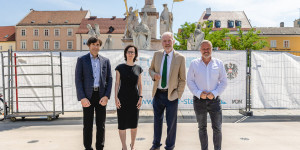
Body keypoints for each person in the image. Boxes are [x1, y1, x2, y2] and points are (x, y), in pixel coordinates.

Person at [187, 40, 227, 150]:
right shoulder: (194, 64)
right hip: (199, 101)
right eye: (204, 49)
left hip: (214, 101)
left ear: (211, 49)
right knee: (202, 128)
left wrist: (214, 93)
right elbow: (190, 81)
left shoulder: (218, 63)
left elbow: (224, 81)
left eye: (208, 48)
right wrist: (199, 94)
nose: (206, 51)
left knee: (217, 128)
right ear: (200, 50)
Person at [148, 32, 186, 150]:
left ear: (173, 41)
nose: (167, 43)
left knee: (171, 124)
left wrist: (177, 95)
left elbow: (182, 79)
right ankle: (156, 145)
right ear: (161, 42)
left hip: (171, 95)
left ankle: (169, 146)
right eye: (164, 41)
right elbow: (151, 69)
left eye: (169, 40)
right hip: (158, 94)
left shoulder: (180, 58)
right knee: (157, 122)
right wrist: (154, 75)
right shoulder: (157, 55)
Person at [75, 37, 113, 150]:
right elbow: (78, 80)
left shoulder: (105, 61)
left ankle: (100, 147)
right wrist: (82, 97)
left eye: (97, 45)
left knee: (101, 125)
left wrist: (106, 96)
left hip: (101, 96)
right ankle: (88, 147)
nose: (96, 47)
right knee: (87, 125)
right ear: (89, 46)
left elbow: (109, 79)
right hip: (88, 97)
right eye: (93, 44)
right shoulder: (82, 60)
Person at [115, 45, 143, 150]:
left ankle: (133, 145)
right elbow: (117, 83)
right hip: (122, 98)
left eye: (133, 52)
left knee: (134, 124)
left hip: (134, 98)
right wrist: (115, 97)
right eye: (129, 51)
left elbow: (140, 85)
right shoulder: (119, 68)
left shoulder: (138, 68)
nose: (130, 53)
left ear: (135, 54)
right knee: (122, 124)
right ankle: (124, 146)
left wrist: (140, 97)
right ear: (125, 53)